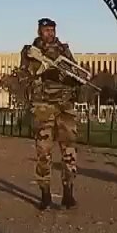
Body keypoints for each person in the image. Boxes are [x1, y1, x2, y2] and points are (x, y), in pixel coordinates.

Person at [22, 17, 81, 210]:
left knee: (69, 150)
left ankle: (68, 192)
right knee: (43, 152)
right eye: (47, 30)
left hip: (65, 105)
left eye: (52, 30)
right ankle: (45, 194)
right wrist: (44, 71)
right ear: (39, 31)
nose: (50, 33)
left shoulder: (64, 50)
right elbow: (26, 74)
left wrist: (75, 80)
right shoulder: (31, 52)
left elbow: (74, 71)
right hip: (44, 106)